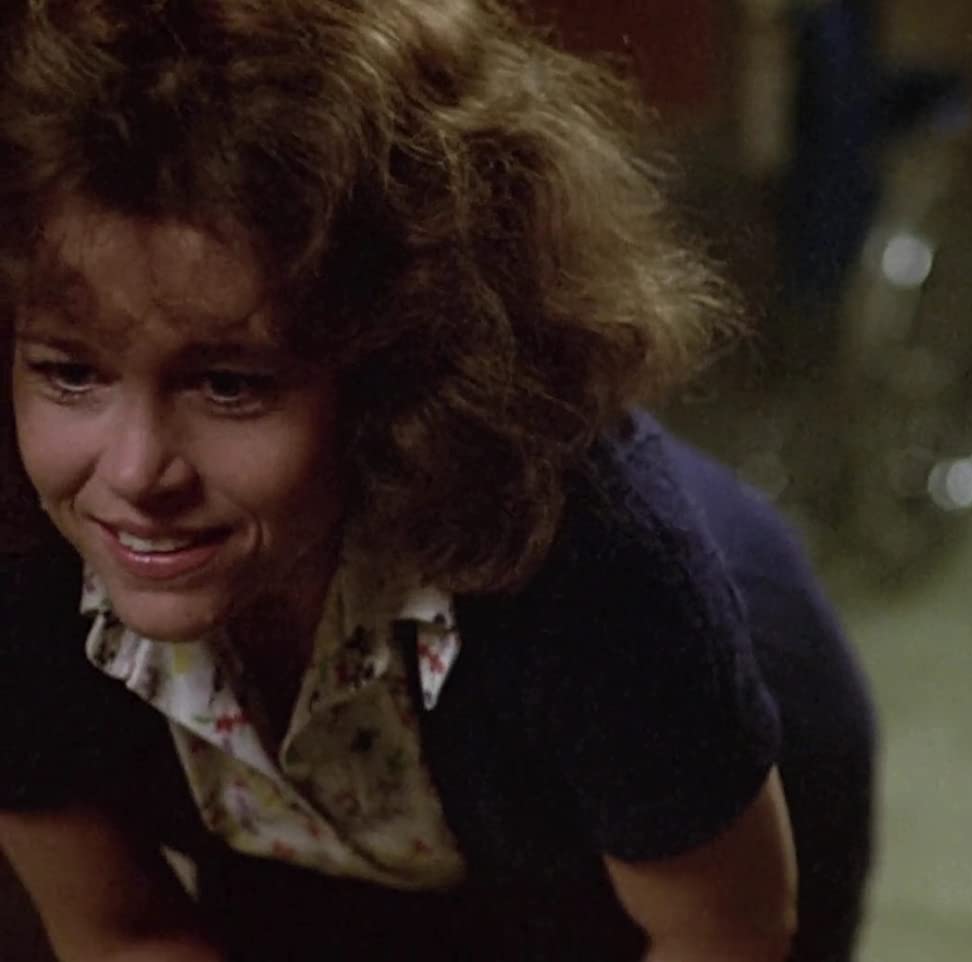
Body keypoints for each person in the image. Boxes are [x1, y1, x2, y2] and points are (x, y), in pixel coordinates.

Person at [0, 1, 875, 960]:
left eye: (230, 386)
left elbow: (722, 932)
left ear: (397, 368)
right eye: (70, 374)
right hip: (321, 838)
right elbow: (121, 931)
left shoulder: (602, 566)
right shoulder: (19, 553)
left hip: (676, 824)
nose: (136, 474)